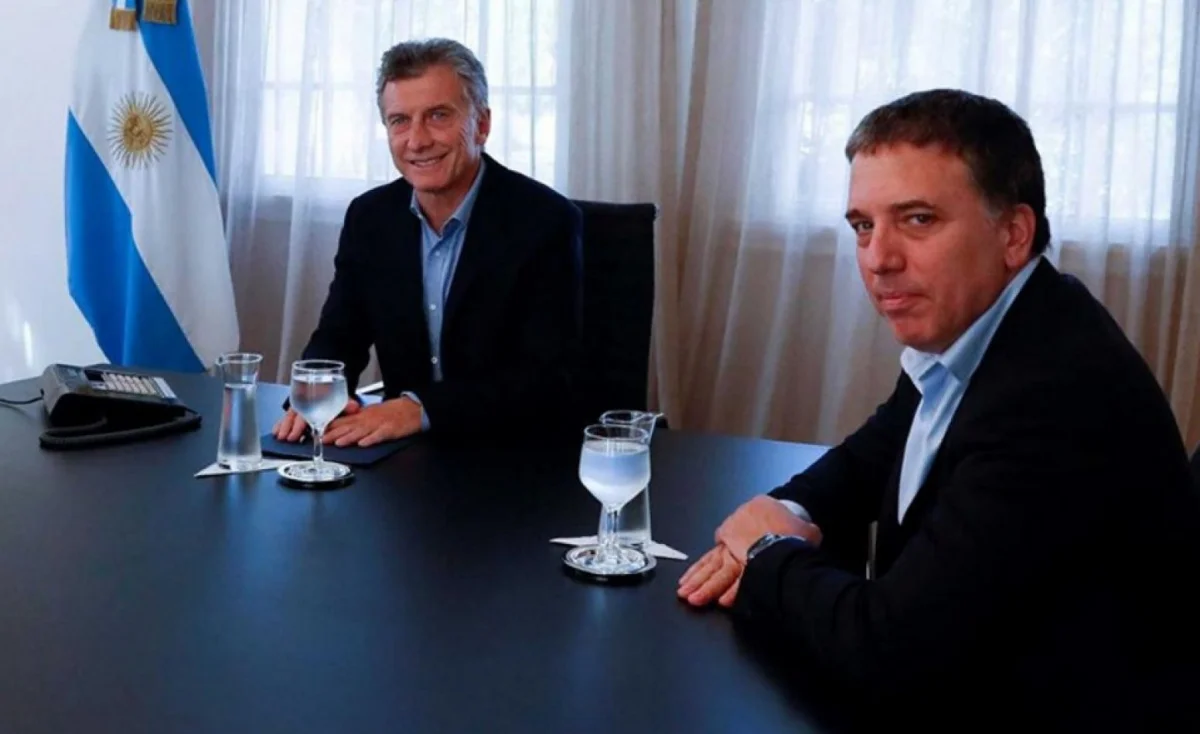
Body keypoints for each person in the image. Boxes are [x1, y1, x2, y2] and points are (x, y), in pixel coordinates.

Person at [678, 89, 1200, 727]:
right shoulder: (997, 326)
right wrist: (789, 511)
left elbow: (888, 651)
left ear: (1013, 234)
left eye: (918, 219)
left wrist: (762, 553)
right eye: (863, 226)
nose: (879, 259)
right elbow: (870, 455)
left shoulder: (1053, 395)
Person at [274, 39, 582, 445]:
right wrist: (314, 392)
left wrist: (421, 408)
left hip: (514, 455)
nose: (417, 141)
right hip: (404, 458)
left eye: (438, 116)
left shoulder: (545, 221)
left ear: (482, 125)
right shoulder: (370, 217)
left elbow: (544, 378)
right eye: (400, 121)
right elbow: (339, 335)